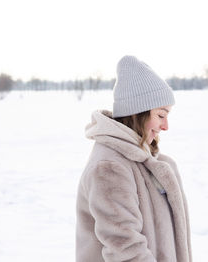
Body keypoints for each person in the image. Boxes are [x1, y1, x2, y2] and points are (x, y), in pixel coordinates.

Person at [76, 56, 192, 262]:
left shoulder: (143, 161)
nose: (166, 126)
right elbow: (125, 250)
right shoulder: (110, 168)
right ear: (139, 113)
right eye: (161, 115)